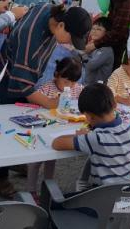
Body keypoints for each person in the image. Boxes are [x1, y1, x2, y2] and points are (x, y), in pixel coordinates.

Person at [0, 3, 91, 109]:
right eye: (71, 39)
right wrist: (50, 103)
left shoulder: (49, 9)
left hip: (23, 78)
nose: (71, 43)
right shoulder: (31, 40)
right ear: (61, 25)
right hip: (10, 86)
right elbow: (21, 85)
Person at [52, 83, 130, 188]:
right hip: (127, 192)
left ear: (88, 117)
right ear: (115, 105)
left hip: (100, 195)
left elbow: (56, 143)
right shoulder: (129, 127)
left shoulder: (96, 138)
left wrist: (80, 136)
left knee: (56, 199)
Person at [26, 56, 83, 193]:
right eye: (66, 82)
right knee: (35, 161)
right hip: (44, 130)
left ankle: (48, 188)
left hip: (60, 131)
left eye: (73, 83)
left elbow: (83, 99)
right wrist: (53, 102)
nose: (69, 86)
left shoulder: (77, 89)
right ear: (57, 75)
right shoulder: (47, 88)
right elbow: (35, 104)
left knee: (51, 159)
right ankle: (31, 190)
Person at [83, 17, 114, 85]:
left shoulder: (106, 49)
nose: (94, 31)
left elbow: (90, 65)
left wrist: (84, 53)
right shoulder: (92, 45)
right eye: (93, 28)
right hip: (87, 85)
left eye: (99, 29)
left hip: (96, 88)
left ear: (107, 33)